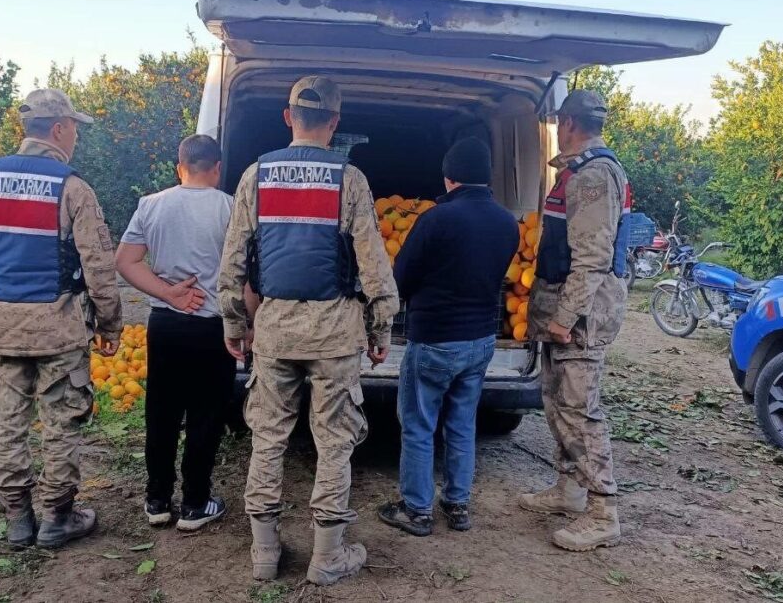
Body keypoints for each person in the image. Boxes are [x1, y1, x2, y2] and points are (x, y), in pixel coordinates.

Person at [218, 76, 399, 586]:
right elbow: (372, 261)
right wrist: (380, 325)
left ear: (286, 115)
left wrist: (236, 321)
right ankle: (327, 556)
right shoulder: (351, 179)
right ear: (336, 123)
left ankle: (264, 553)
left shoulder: (256, 176)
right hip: (335, 332)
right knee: (335, 441)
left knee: (268, 438)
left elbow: (233, 260)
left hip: (273, 329)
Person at [0, 88, 123, 550]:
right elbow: (98, 267)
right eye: (74, 128)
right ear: (58, 129)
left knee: (7, 422)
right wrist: (109, 325)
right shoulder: (72, 187)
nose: (76, 138)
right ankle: (57, 518)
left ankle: (16, 520)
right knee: (60, 422)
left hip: (4, 324)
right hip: (59, 326)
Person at [377, 138, 519, 537]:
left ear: (449, 177)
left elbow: (401, 277)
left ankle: (417, 509)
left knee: (420, 425)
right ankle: (457, 505)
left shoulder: (437, 219)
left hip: (436, 338)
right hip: (480, 341)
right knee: (461, 424)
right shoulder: (507, 222)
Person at [518, 89, 632, 552]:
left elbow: (592, 258)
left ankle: (603, 511)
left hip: (580, 316)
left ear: (567, 124)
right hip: (563, 308)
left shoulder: (593, 175)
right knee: (556, 400)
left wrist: (565, 317)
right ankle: (568, 488)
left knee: (581, 411)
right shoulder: (579, 171)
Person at [115, 134, 236, 531]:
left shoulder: (150, 205)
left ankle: (157, 500)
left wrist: (168, 292)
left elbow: (126, 261)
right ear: (216, 168)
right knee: (206, 415)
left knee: (162, 413)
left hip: (165, 324)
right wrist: (246, 324)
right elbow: (245, 276)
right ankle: (196, 503)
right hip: (212, 326)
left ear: (178, 166)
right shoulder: (231, 208)